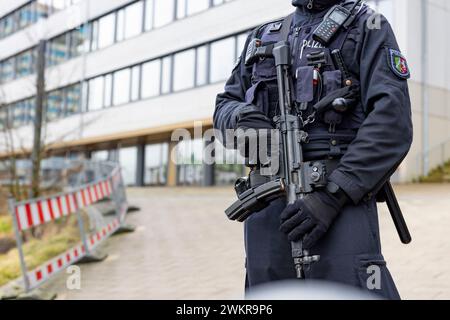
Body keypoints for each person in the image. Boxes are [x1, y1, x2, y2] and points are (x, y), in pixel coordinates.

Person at [214, 0, 413, 300]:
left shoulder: (367, 25)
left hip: (339, 203)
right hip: (269, 207)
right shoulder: (262, 37)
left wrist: (333, 195)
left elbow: (391, 121)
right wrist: (240, 117)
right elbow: (224, 105)